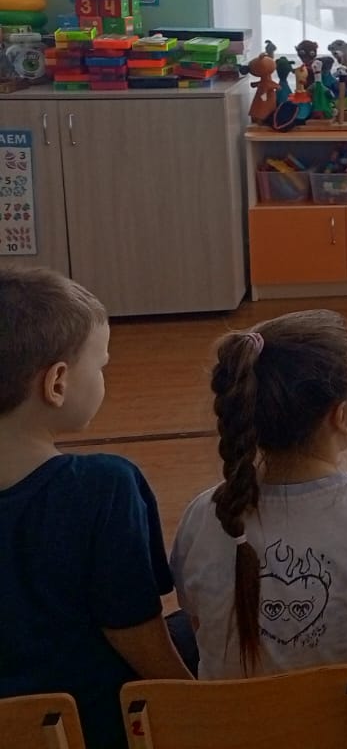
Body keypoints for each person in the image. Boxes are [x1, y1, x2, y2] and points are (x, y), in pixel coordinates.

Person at [169, 311, 347, 742]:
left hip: (231, 728)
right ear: (341, 415)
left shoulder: (202, 514)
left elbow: (199, 624)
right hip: (344, 725)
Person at [0, 265, 191, 749]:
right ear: (57, 383)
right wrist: (195, 702)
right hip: (90, 728)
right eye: (101, 364)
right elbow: (136, 635)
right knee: (198, 631)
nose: (105, 375)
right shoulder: (103, 487)